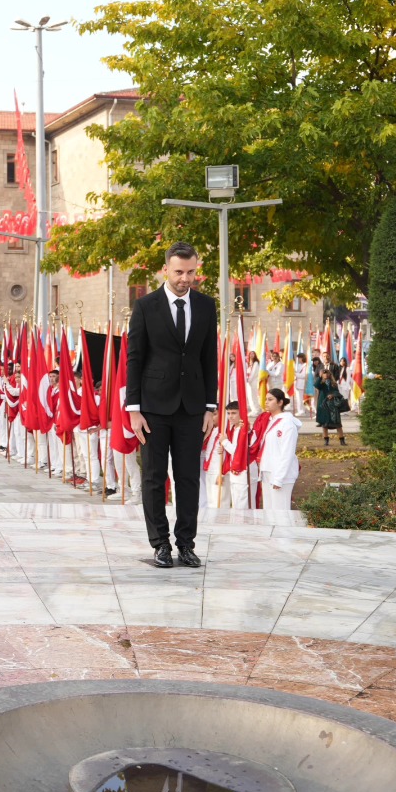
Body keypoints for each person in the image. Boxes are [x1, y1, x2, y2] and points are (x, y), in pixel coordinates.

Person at [125, 240, 219, 569]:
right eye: (179, 272)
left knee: (188, 478)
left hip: (192, 408)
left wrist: (210, 406)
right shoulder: (145, 306)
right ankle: (160, 544)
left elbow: (209, 358)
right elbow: (134, 358)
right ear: (165, 269)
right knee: (153, 478)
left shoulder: (206, 306)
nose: (185, 278)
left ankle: (186, 544)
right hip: (152, 408)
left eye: (191, 272)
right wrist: (133, 409)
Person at [257, 389, 302, 517]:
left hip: (281, 475)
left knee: (281, 514)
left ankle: (283, 532)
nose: (266, 402)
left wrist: (279, 478)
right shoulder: (270, 421)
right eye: (266, 399)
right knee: (269, 513)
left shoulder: (287, 424)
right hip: (267, 471)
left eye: (270, 399)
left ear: (280, 402)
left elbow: (287, 453)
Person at [315, 367, 347, 445]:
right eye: (324, 373)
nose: (325, 375)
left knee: (337, 424)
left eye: (327, 373)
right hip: (324, 404)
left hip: (333, 405)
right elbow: (316, 385)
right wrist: (320, 377)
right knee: (324, 424)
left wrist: (333, 395)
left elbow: (337, 393)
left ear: (330, 374)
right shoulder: (321, 383)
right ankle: (326, 440)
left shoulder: (334, 383)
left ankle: (342, 440)